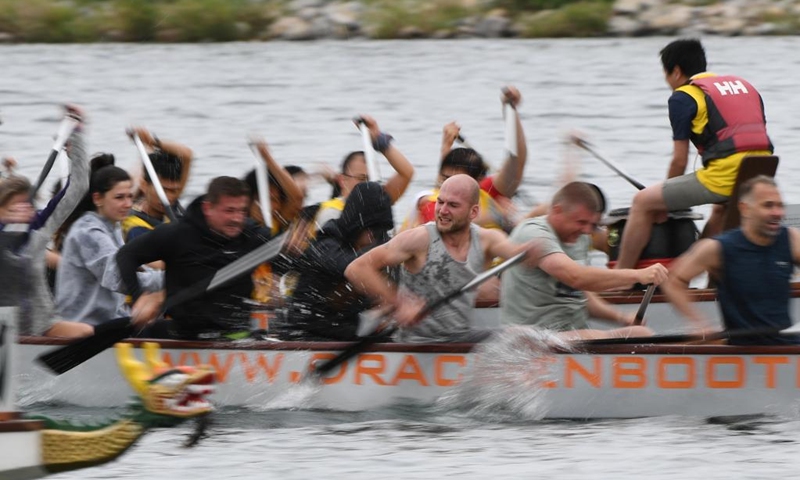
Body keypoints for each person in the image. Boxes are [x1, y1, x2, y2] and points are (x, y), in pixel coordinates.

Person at [615, 38, 773, 269]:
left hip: (724, 177)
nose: (668, 82)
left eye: (666, 75)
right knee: (720, 210)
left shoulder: (683, 97)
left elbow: (680, 160)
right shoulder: (746, 86)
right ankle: (705, 279)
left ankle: (622, 278)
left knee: (642, 202)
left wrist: (664, 205)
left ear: (676, 71)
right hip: (761, 174)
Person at [345, 174, 539, 343]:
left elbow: (513, 251)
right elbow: (357, 268)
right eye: (440, 202)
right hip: (415, 343)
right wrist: (399, 304)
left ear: (473, 212)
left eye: (453, 205)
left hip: (459, 337)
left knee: (525, 337)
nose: (443, 211)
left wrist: (527, 252)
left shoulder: (487, 240)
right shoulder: (419, 239)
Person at [500, 182, 668, 341]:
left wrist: (621, 317)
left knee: (638, 332)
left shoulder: (580, 239)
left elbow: (583, 298)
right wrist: (637, 275)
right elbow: (576, 277)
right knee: (640, 335)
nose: (587, 230)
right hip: (533, 337)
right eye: (581, 222)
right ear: (557, 211)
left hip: (570, 334)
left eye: (591, 224)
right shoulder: (534, 233)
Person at [117, 176, 273, 340]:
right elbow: (126, 255)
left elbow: (282, 245)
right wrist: (138, 298)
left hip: (237, 338)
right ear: (207, 208)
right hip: (187, 338)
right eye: (229, 211)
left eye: (242, 211)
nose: (237, 219)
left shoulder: (249, 233)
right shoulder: (178, 234)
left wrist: (291, 243)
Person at [663, 176, 800, 345]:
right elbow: (673, 280)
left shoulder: (792, 240)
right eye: (768, 205)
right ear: (745, 209)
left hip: (788, 345)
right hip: (742, 349)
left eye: (780, 206)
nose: (777, 213)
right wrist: (698, 324)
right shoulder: (717, 249)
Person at [402, 86, 527, 232]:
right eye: (446, 179)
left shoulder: (486, 194)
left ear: (478, 182)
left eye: (459, 180)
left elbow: (516, 160)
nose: (450, 186)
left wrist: (510, 110)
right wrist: (496, 216)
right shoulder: (430, 202)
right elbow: (444, 227)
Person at [281, 181, 394, 341]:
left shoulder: (379, 241)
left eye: (378, 232)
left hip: (348, 331)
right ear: (355, 224)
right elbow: (354, 269)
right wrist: (394, 299)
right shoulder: (325, 244)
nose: (372, 237)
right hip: (304, 334)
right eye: (369, 230)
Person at [55, 163, 163, 328]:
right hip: (84, 327)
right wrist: (169, 279)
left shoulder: (113, 225)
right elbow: (119, 278)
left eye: (130, 197)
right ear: (98, 199)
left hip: (111, 319)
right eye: (119, 197)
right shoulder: (88, 232)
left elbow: (132, 269)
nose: (128, 204)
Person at [312, 115, 414, 229]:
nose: (368, 185)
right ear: (342, 180)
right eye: (361, 179)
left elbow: (406, 173)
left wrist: (379, 141)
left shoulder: (378, 203)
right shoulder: (330, 213)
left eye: (371, 180)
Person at [121, 127, 193, 241]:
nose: (169, 197)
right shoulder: (135, 227)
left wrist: (152, 142)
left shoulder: (169, 202)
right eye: (163, 190)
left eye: (173, 191)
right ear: (144, 185)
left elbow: (187, 155)